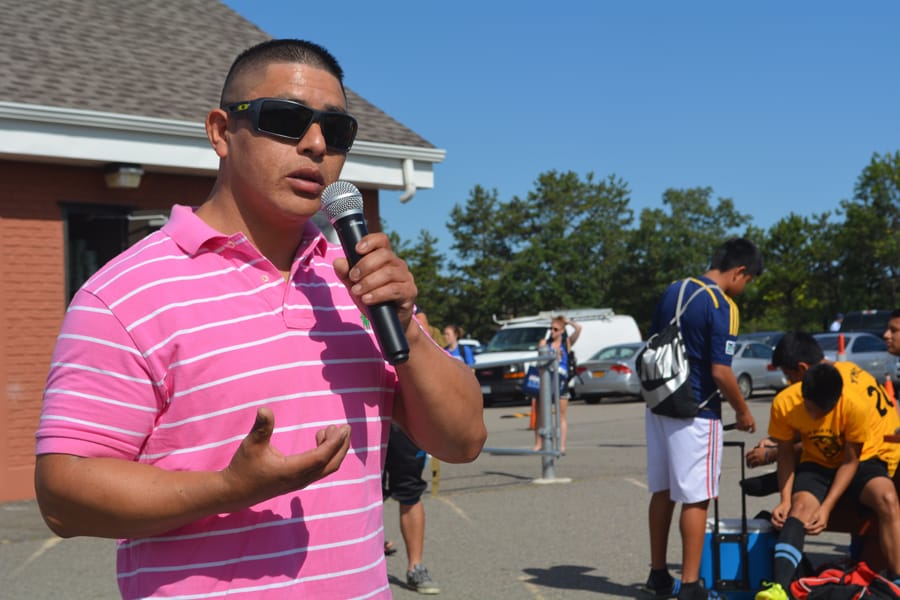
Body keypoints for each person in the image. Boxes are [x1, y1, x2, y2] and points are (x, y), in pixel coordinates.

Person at [33, 39, 486, 599]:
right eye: (286, 119)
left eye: (336, 130)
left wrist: (406, 327)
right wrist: (230, 488)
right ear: (222, 132)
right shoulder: (125, 294)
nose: (316, 144)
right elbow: (62, 497)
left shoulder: (359, 281)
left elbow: (463, 440)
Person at [644, 237, 762, 600]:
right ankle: (692, 586)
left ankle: (659, 575)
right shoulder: (719, 304)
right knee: (697, 497)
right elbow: (722, 372)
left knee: (662, 490)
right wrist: (743, 411)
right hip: (697, 409)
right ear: (739, 271)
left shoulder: (673, 290)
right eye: (749, 280)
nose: (746, 288)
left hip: (659, 403)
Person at [755, 332, 900, 600]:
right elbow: (790, 450)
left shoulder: (850, 400)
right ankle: (779, 588)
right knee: (796, 509)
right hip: (819, 462)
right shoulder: (789, 400)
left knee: (887, 497)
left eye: (788, 375)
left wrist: (826, 507)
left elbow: (850, 459)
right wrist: (785, 498)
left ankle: (897, 580)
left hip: (867, 458)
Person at [382, 423, 441, 594]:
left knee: (410, 490)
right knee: (366, 489)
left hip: (404, 420)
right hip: (364, 418)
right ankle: (368, 552)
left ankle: (416, 568)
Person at [534, 315, 582, 454]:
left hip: (561, 380)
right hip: (546, 380)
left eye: (555, 329)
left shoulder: (566, 343)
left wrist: (567, 322)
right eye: (551, 329)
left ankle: (561, 446)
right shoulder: (545, 343)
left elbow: (579, 329)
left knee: (561, 415)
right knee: (541, 414)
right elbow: (539, 361)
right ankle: (538, 443)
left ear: (561, 331)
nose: (552, 331)